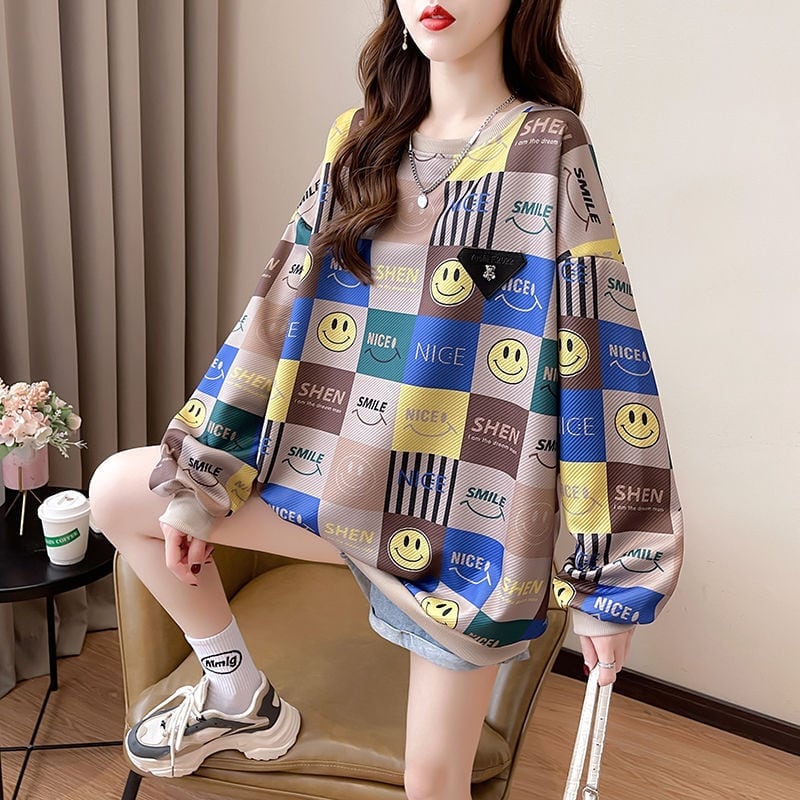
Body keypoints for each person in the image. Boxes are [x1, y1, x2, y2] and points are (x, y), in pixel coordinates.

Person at [89, 1, 684, 798]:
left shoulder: (548, 146)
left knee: (431, 782)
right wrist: (203, 474)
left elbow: (599, 348)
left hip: (466, 536)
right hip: (335, 491)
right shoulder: (358, 140)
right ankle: (237, 694)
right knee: (118, 492)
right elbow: (276, 310)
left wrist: (613, 577)